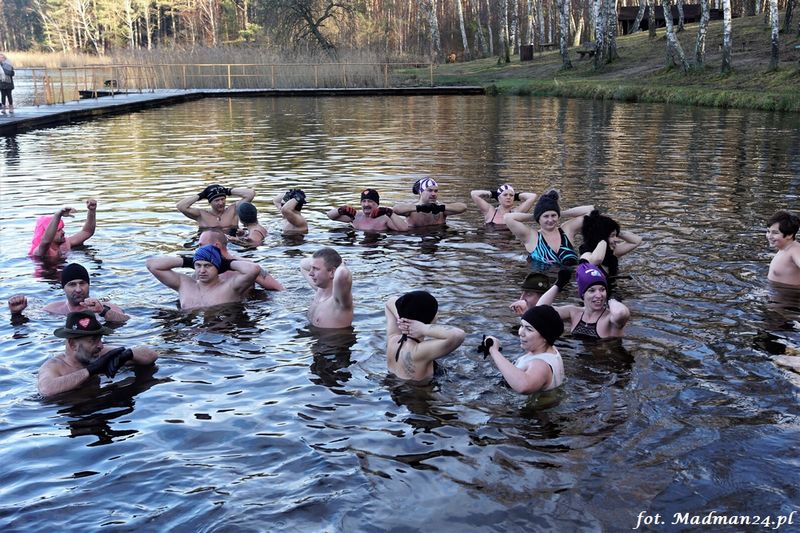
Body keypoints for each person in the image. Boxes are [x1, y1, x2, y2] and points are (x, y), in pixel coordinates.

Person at [37, 311, 158, 398]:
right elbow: (46, 390)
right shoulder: (54, 367)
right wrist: (91, 371)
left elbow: (152, 355)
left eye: (100, 339)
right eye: (93, 340)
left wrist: (128, 355)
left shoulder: (101, 354)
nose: (100, 345)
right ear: (72, 344)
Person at [146, 244, 262, 310]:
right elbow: (152, 265)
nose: (202, 271)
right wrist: (188, 261)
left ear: (218, 267)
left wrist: (226, 264)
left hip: (221, 333)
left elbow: (254, 269)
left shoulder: (230, 287)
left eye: (207, 266)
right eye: (198, 265)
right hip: (189, 335)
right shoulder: (184, 284)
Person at [480, 305, 565, 394]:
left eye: (529, 329)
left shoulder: (540, 365)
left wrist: (494, 350)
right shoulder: (550, 350)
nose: (520, 332)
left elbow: (524, 386)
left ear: (545, 337)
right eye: (522, 326)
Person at [385, 290, 466, 381]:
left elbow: (390, 302)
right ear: (431, 319)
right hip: (419, 390)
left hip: (394, 385)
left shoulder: (393, 339)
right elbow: (458, 335)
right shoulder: (418, 352)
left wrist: (402, 318)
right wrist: (423, 328)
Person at [8, 263, 129, 322]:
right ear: (63, 288)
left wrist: (102, 311)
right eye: (72, 284)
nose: (78, 289)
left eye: (82, 283)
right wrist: (16, 313)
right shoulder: (52, 310)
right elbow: (28, 326)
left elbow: (126, 320)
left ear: (89, 285)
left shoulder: (105, 307)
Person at [538, 262, 630, 339]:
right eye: (592, 290)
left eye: (602, 290)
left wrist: (613, 300)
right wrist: (559, 284)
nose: (599, 295)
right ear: (582, 294)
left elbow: (621, 313)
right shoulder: (574, 313)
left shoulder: (610, 319)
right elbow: (539, 311)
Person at [505, 189, 594, 268]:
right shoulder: (532, 237)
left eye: (553, 215)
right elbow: (508, 218)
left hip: (571, 280)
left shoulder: (567, 230)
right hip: (543, 280)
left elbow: (591, 211)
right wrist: (536, 215)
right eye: (546, 216)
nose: (550, 220)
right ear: (539, 218)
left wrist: (560, 213)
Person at [198, 229, 284, 290]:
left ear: (217, 245)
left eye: (201, 245)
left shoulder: (247, 267)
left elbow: (278, 289)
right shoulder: (202, 268)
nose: (198, 250)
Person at [578, 210, 642, 278]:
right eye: (612, 236)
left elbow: (636, 240)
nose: (617, 240)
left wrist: (615, 230)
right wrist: (601, 234)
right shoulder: (586, 255)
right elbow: (597, 259)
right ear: (600, 237)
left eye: (616, 236)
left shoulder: (611, 252)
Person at [300, 247, 353, 328]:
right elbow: (303, 264)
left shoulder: (339, 301)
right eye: (311, 268)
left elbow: (343, 274)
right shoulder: (320, 289)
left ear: (332, 272)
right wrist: (317, 262)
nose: (310, 273)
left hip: (335, 336)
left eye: (316, 269)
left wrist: (341, 264)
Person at [29, 201, 97, 259]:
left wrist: (92, 211)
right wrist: (58, 215)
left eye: (62, 229)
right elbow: (46, 241)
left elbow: (87, 232)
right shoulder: (40, 251)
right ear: (46, 233)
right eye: (58, 230)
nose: (63, 232)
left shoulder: (65, 244)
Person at [392, 177, 467, 228]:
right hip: (416, 237)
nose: (433, 194)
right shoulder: (412, 209)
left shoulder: (441, 209)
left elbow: (463, 207)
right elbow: (395, 209)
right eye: (430, 190)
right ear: (421, 192)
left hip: (440, 237)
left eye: (436, 191)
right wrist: (420, 208)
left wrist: (441, 207)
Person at [177, 183, 255, 230]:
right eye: (217, 200)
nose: (221, 203)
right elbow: (181, 206)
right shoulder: (201, 215)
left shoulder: (233, 210)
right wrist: (202, 195)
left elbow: (250, 194)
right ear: (210, 202)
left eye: (222, 199)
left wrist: (227, 191)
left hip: (232, 244)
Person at [327, 188, 409, 231]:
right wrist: (340, 210)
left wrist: (390, 212)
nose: (366, 204)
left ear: (377, 204)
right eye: (364, 201)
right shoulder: (355, 216)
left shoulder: (385, 219)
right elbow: (330, 216)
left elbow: (404, 229)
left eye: (370, 201)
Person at [470, 184, 537, 225]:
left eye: (511, 195)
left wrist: (516, 196)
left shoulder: (516, 212)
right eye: (505, 195)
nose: (508, 197)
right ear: (499, 198)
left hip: (510, 242)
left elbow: (533, 196)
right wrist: (493, 194)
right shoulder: (490, 211)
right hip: (492, 242)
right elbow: (473, 194)